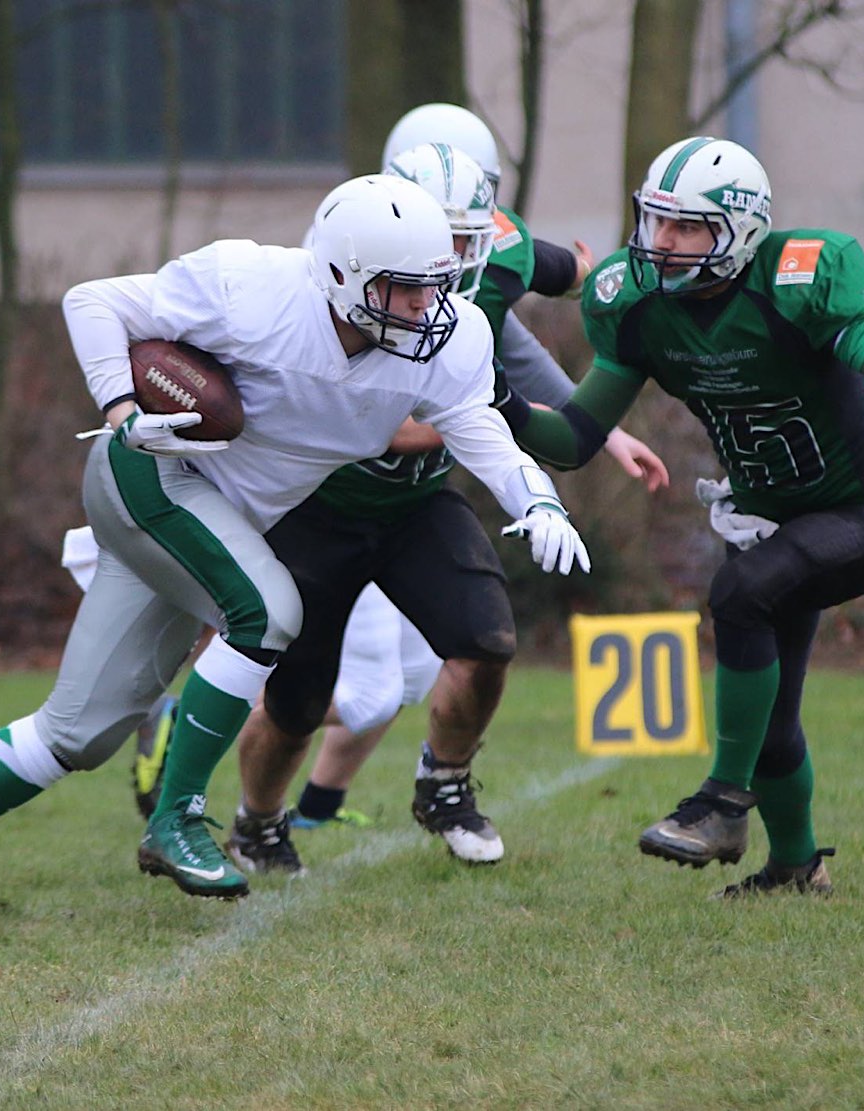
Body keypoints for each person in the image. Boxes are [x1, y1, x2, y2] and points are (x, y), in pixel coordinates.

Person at [0, 172, 590, 921]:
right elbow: (91, 302)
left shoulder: (449, 336)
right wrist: (123, 406)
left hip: (218, 518)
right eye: (406, 287)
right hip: (153, 476)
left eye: (437, 282)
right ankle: (177, 816)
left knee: (75, 734)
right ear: (340, 273)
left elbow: (477, 425)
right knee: (268, 611)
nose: (429, 305)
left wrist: (538, 500)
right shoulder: (250, 286)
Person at [497, 135, 864, 897]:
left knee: (741, 592)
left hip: (860, 513)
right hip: (768, 518)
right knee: (772, 718)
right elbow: (575, 438)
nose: (663, 244)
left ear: (740, 230)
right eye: (656, 221)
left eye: (687, 228)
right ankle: (794, 867)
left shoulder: (798, 278)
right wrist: (498, 400)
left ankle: (720, 802)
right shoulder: (638, 307)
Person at [218, 128, 667, 874]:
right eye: (437, 239)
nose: (449, 262)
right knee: (298, 700)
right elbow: (393, 428)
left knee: (486, 640)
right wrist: (480, 419)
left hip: (417, 505)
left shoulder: (499, 250)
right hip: (318, 504)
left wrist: (601, 413)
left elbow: (560, 285)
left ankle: (445, 781)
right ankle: (258, 823)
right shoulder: (334, 271)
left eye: (467, 237)